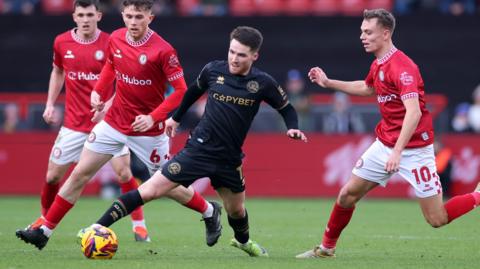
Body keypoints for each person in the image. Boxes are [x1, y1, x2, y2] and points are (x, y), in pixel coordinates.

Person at [79, 26, 307, 257]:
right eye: (232, 52)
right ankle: (96, 227)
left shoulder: (263, 83)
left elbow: (286, 108)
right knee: (149, 190)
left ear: (254, 56)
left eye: (241, 55)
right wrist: (174, 119)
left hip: (229, 158)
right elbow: (191, 93)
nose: (234, 58)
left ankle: (243, 241)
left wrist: (293, 128)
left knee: (236, 210)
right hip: (198, 149)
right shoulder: (213, 70)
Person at [16, 0, 220, 250]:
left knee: (167, 187)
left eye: (139, 17)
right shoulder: (116, 38)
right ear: (122, 15)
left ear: (150, 18)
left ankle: (210, 211)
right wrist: (99, 93)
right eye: (129, 16)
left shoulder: (163, 50)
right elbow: (111, 67)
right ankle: (44, 231)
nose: (133, 22)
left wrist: (153, 117)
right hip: (114, 122)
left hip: (148, 131)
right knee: (80, 173)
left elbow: (180, 91)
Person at [296, 9, 480, 259]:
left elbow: (413, 113)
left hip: (414, 150)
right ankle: (327, 248)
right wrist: (329, 83)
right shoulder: (379, 63)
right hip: (385, 143)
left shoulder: (403, 68)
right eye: (362, 31)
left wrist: (397, 151)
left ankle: (478, 195)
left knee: (437, 219)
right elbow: (367, 87)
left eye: (368, 32)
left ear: (385, 33)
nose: (362, 36)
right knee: (347, 195)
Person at [16, 0, 152, 242]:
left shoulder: (113, 41)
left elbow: (124, 79)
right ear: (74, 17)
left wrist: (108, 106)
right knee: (52, 177)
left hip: (109, 122)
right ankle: (44, 221)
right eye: (81, 14)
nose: (86, 19)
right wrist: (49, 103)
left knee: (123, 173)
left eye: (90, 14)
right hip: (73, 124)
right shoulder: (61, 42)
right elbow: (58, 71)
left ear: (99, 16)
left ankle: (139, 226)